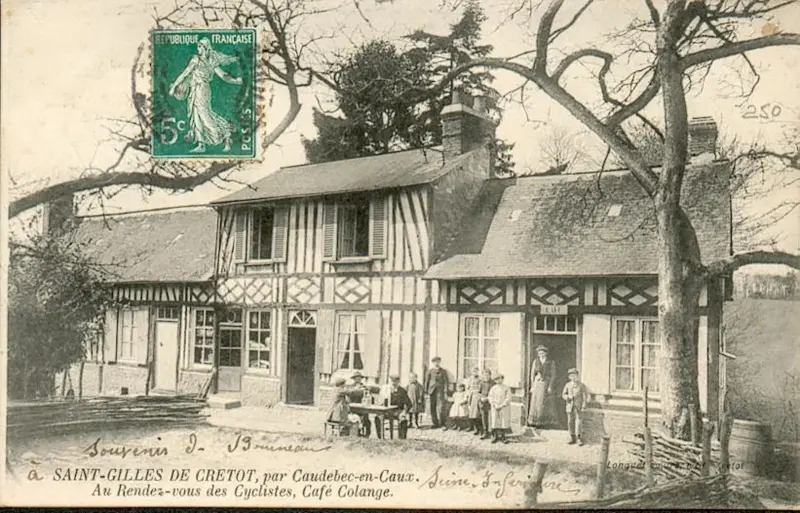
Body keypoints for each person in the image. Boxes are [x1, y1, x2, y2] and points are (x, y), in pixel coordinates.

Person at [168, 38, 242, 153]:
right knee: (196, 115)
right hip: (196, 89)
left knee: (204, 115)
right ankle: (201, 144)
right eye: (198, 47)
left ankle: (225, 134)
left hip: (201, 90)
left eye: (201, 47)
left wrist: (236, 81)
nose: (199, 49)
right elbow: (185, 73)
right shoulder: (201, 60)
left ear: (206, 48)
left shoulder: (204, 61)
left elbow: (223, 76)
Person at [527, 345, 556, 429]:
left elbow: (553, 375)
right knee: (536, 402)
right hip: (537, 383)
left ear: (546, 353)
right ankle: (535, 422)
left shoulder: (550, 362)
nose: (541, 354)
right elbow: (532, 374)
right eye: (540, 353)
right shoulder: (535, 362)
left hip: (545, 383)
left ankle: (544, 422)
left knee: (544, 402)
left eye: (543, 353)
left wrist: (550, 386)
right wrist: (532, 386)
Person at [379, 374, 412, 439]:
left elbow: (409, 404)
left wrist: (404, 412)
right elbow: (380, 401)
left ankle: (402, 438)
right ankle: (380, 437)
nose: (393, 383)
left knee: (403, 419)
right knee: (378, 418)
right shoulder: (385, 390)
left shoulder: (402, 391)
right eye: (392, 382)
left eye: (395, 381)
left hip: (398, 411)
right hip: (386, 411)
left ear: (398, 382)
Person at [562, 368, 589, 446]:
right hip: (570, 406)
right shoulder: (567, 385)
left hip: (578, 406)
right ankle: (572, 436)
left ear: (577, 376)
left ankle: (579, 438)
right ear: (569, 377)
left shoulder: (581, 385)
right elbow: (563, 394)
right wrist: (567, 397)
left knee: (579, 421)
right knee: (570, 421)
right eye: (571, 376)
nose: (573, 377)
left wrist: (584, 405)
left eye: (575, 376)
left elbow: (585, 396)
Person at [424, 356, 450, 429]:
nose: (436, 363)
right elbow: (427, 382)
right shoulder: (430, 371)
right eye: (435, 362)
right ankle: (435, 423)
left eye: (438, 361)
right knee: (432, 407)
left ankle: (442, 423)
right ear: (433, 363)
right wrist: (426, 392)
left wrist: (445, 391)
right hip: (432, 391)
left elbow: (446, 382)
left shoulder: (443, 371)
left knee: (441, 407)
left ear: (439, 362)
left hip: (440, 391)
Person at [488, 374, 513, 444]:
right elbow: (490, 397)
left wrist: (502, 405)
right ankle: (495, 436)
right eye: (496, 379)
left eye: (499, 379)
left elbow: (508, 398)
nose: (498, 380)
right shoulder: (493, 388)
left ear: (502, 379)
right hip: (495, 407)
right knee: (495, 421)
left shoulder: (506, 388)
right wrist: (494, 404)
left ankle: (503, 436)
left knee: (503, 421)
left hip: (504, 407)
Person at [347, 371, 372, 437]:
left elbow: (368, 394)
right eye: (356, 378)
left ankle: (367, 433)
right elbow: (350, 394)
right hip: (353, 408)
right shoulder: (350, 387)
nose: (358, 380)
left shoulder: (364, 387)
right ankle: (356, 432)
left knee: (366, 418)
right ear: (354, 379)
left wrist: (366, 390)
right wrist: (357, 390)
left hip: (362, 406)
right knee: (355, 417)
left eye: (359, 378)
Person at [465, 367, 483, 434]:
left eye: (476, 371)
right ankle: (472, 426)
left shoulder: (480, 379)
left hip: (477, 396)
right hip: (471, 396)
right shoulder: (469, 379)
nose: (475, 373)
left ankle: (478, 428)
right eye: (473, 371)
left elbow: (480, 388)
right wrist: (467, 395)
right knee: (471, 412)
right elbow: (467, 388)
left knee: (476, 413)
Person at [478, 369, 494, 440]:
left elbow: (494, 394)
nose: (486, 377)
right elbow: (479, 392)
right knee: (484, 418)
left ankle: (493, 433)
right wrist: (481, 398)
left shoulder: (493, 383)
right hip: (483, 402)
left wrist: (487, 398)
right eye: (484, 375)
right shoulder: (481, 383)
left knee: (491, 418)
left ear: (490, 375)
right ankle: (485, 432)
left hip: (490, 402)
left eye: (487, 375)